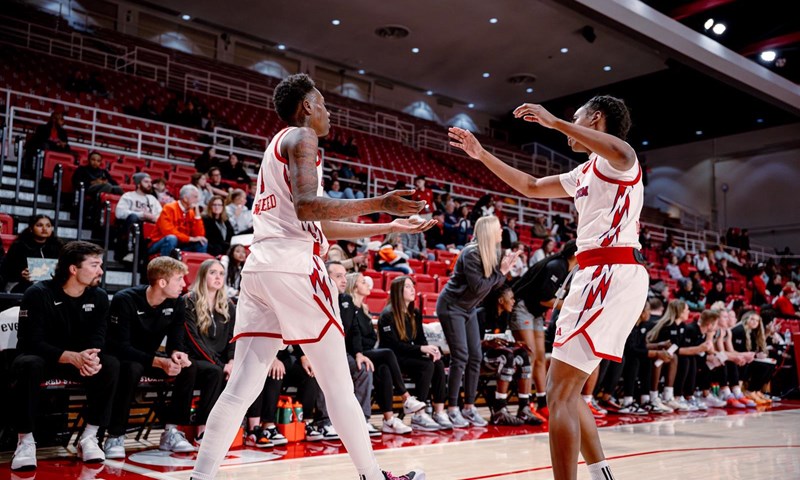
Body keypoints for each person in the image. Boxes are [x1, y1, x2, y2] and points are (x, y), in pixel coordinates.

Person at [191, 73, 434, 480]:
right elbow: (308, 207)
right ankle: (373, 477)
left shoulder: (276, 149)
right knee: (338, 385)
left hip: (261, 269)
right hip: (293, 267)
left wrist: (390, 225)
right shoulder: (303, 139)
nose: (328, 112)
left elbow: (319, 223)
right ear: (306, 106)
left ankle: (201, 477)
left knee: (241, 388)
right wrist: (380, 201)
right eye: (323, 104)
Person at [449, 95, 647, 480]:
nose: (568, 126)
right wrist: (482, 155)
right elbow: (532, 185)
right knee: (567, 390)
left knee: (558, 392)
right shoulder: (587, 170)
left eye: (577, 119)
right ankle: (602, 474)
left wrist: (554, 122)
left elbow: (618, 148)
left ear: (596, 118)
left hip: (609, 271)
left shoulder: (620, 161)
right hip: (602, 274)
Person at [9, 241, 118, 471]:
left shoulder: (98, 296)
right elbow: (32, 342)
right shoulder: (37, 293)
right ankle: (25, 441)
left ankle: (89, 437)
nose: (101, 271)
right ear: (73, 268)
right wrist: (71, 357)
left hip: (78, 361)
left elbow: (100, 335)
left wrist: (91, 357)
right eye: (95, 264)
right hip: (44, 358)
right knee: (28, 364)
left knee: (110, 365)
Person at [104, 257, 196, 459]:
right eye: (179, 279)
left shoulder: (177, 302)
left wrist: (176, 354)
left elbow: (176, 340)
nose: (184, 284)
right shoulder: (124, 299)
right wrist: (159, 362)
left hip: (150, 357)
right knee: (131, 369)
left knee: (188, 368)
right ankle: (115, 435)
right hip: (122, 358)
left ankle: (171, 431)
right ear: (162, 282)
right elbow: (119, 347)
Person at [436, 216, 519, 428]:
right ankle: (452, 408)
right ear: (489, 231)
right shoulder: (471, 253)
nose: (502, 231)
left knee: (476, 356)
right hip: (451, 306)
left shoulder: (492, 253)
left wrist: (504, 271)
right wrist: (501, 272)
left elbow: (493, 286)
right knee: (460, 356)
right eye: (499, 228)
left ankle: (469, 407)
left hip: (469, 308)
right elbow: (480, 287)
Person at [344, 271, 439, 433]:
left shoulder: (365, 310)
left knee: (384, 370)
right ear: (354, 287)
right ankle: (406, 398)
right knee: (387, 353)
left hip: (368, 352)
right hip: (356, 354)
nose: (368, 284)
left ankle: (389, 420)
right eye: (363, 282)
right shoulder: (351, 309)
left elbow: (370, 338)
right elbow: (354, 338)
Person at [511, 240, 578, 419]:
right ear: (576, 254)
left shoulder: (569, 271)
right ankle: (524, 405)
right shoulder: (557, 266)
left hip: (536, 312)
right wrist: (571, 305)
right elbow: (544, 299)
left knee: (540, 357)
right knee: (530, 356)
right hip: (523, 307)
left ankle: (542, 403)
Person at [379, 276, 448, 431]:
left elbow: (420, 339)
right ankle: (419, 414)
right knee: (426, 366)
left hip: (409, 355)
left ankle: (438, 411)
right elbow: (393, 346)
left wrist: (431, 349)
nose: (413, 290)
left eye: (412, 286)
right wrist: (420, 349)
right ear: (398, 291)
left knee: (437, 362)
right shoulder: (387, 315)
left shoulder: (415, 313)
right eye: (408, 287)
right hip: (394, 359)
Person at [183, 259, 235, 444]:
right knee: (215, 372)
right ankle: (203, 429)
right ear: (203, 276)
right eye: (213, 273)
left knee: (241, 373)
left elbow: (232, 337)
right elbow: (193, 340)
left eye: (221, 273)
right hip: (195, 358)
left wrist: (231, 361)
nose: (218, 277)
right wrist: (220, 364)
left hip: (221, 361)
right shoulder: (189, 301)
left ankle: (239, 428)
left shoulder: (228, 305)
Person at [477, 285, 542, 425]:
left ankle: (524, 408)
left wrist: (515, 344)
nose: (514, 301)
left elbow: (500, 340)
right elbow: (469, 342)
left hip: (496, 356)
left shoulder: (505, 315)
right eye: (511, 298)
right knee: (506, 357)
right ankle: (499, 410)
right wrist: (487, 343)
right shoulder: (481, 314)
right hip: (479, 359)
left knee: (523, 355)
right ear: (501, 300)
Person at [329, 263, 381, 436]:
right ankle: (324, 422)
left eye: (345, 276)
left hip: (344, 354)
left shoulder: (346, 300)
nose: (344, 280)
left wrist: (359, 354)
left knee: (364, 368)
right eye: (338, 276)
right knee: (326, 370)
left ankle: (360, 419)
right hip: (322, 353)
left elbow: (354, 332)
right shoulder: (318, 298)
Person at [1, 214, 63, 293]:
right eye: (39, 225)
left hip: (49, 284)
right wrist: (21, 274)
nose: (44, 229)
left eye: (48, 226)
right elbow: (7, 270)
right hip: (20, 284)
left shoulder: (58, 246)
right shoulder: (19, 246)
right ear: (31, 228)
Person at [148, 184, 208, 257]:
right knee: (172, 238)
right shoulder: (169, 208)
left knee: (202, 242)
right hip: (159, 243)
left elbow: (199, 235)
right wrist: (189, 239)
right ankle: (164, 266)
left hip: (181, 244)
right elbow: (168, 231)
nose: (197, 200)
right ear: (185, 198)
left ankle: (197, 267)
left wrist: (197, 215)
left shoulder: (192, 212)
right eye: (195, 197)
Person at [115, 172, 162, 262]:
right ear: (138, 184)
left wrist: (153, 217)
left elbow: (161, 214)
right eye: (146, 182)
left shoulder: (152, 199)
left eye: (150, 182)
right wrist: (142, 215)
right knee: (133, 217)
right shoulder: (128, 196)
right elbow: (119, 213)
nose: (149, 184)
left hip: (149, 227)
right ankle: (130, 251)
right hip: (132, 225)